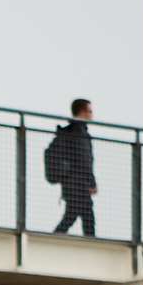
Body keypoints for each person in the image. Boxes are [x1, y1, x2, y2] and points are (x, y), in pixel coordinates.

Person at [45, 99, 98, 235]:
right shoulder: (79, 133)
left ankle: (56, 237)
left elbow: (84, 160)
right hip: (78, 183)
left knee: (73, 215)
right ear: (82, 112)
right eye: (90, 111)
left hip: (72, 182)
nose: (92, 114)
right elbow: (84, 160)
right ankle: (91, 244)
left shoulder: (74, 132)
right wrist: (91, 182)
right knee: (85, 217)